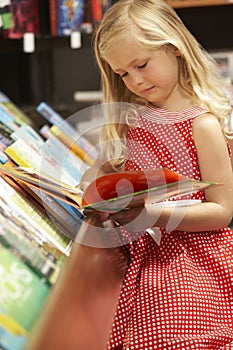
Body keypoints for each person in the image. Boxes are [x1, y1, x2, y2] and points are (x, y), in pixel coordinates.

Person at [79, 0, 233, 348]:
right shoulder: (131, 122)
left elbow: (222, 210)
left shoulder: (201, 124)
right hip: (141, 256)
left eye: (142, 65)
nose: (135, 81)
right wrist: (95, 183)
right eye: (122, 74)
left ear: (174, 49)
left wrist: (151, 214)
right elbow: (110, 175)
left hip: (193, 263)